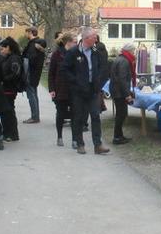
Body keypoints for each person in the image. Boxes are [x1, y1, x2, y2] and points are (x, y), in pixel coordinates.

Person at [61, 27, 110, 155]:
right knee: (78, 117)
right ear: (86, 38)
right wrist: (75, 82)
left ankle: (97, 145)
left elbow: (103, 67)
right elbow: (65, 70)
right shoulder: (73, 52)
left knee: (95, 116)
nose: (96, 39)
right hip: (78, 91)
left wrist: (99, 81)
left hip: (93, 90)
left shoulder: (96, 50)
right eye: (94, 37)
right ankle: (80, 143)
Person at [48, 33, 75, 147]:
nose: (76, 43)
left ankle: (75, 139)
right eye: (74, 41)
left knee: (75, 114)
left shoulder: (76, 54)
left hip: (73, 89)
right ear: (68, 42)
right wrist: (52, 89)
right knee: (60, 113)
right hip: (60, 88)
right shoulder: (57, 54)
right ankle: (59, 136)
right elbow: (51, 73)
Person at [109, 43, 137, 145]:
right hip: (119, 92)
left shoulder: (120, 59)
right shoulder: (124, 61)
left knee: (121, 114)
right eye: (133, 51)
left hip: (117, 90)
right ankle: (117, 137)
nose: (134, 53)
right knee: (121, 114)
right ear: (129, 51)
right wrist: (127, 94)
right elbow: (122, 79)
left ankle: (119, 136)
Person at [0, 37, 23, 142]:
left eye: (2, 49)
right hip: (7, 88)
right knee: (7, 112)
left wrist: (4, 80)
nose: (1, 51)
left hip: (9, 88)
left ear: (8, 47)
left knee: (8, 112)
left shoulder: (14, 59)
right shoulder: (8, 58)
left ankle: (10, 134)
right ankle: (10, 133)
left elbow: (15, 74)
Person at [22, 27, 47, 124]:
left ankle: (35, 117)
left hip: (31, 73)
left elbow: (30, 59)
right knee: (34, 94)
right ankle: (35, 116)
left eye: (26, 32)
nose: (25, 35)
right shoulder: (37, 44)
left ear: (30, 32)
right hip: (35, 73)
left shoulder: (34, 44)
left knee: (31, 95)